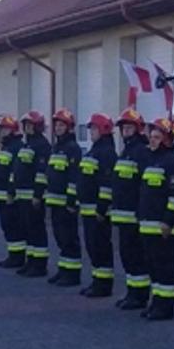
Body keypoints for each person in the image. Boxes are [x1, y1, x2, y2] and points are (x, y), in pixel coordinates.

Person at [137, 117, 174, 320]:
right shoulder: (150, 159)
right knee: (153, 266)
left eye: (157, 137)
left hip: (163, 226)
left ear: (166, 139)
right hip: (148, 225)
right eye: (151, 137)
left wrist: (168, 221)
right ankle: (156, 302)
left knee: (165, 266)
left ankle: (166, 306)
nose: (152, 140)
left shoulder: (171, 161)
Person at [108, 109, 152, 309]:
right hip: (123, 215)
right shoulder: (126, 151)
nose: (125, 131)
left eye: (129, 127)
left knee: (136, 257)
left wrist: (140, 212)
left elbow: (143, 185)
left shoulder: (141, 151)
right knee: (127, 255)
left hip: (134, 216)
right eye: (123, 128)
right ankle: (132, 292)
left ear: (137, 129)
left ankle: (140, 296)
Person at [76, 113, 119, 297]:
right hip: (89, 208)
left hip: (98, 210)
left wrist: (102, 207)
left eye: (93, 129)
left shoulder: (106, 152)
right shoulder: (95, 150)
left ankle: (104, 285)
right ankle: (96, 280)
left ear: (103, 130)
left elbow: (106, 183)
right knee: (92, 246)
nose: (91, 132)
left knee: (100, 246)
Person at [44, 109, 84, 287]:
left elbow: (74, 177)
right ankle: (64, 269)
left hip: (66, 203)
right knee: (60, 237)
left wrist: (71, 200)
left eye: (62, 125)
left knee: (69, 239)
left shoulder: (72, 148)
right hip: (55, 201)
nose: (58, 128)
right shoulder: (57, 147)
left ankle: (72, 274)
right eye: (57, 125)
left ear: (69, 128)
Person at [14, 110, 52, 278]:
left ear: (38, 127)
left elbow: (42, 172)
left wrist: (38, 194)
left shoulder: (42, 145)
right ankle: (31, 262)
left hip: (33, 196)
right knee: (26, 229)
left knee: (37, 230)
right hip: (22, 195)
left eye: (31, 125)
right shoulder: (27, 144)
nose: (27, 128)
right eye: (26, 125)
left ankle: (40, 265)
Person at [0, 115, 26, 269]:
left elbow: (15, 172)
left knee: (14, 227)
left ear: (12, 130)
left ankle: (17, 257)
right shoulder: (7, 146)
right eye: (1, 129)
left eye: (5, 129)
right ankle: (13, 255)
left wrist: (11, 192)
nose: (1, 132)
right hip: (2, 195)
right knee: (7, 226)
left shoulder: (16, 147)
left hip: (10, 196)